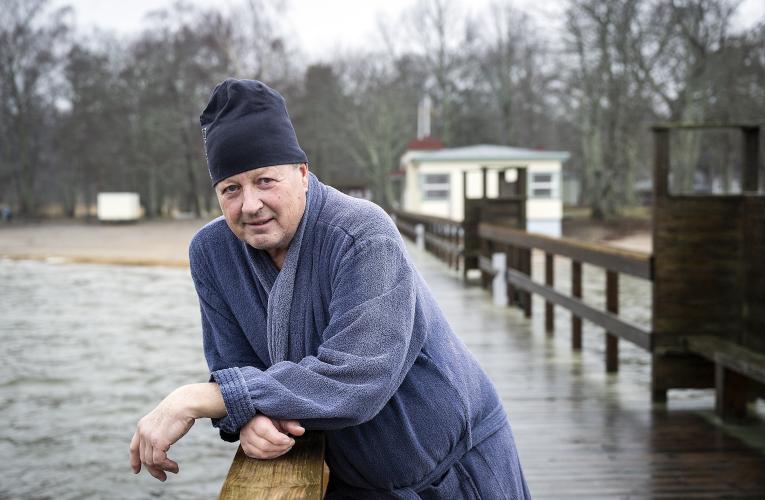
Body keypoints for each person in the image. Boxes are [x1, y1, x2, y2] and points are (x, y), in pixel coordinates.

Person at [129, 78, 531, 499]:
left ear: (302, 174)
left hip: (453, 476)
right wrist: (248, 418)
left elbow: (356, 379)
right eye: (231, 189)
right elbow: (236, 364)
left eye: (265, 181)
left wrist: (198, 399)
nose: (249, 204)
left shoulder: (363, 234)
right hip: (351, 479)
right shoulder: (213, 254)